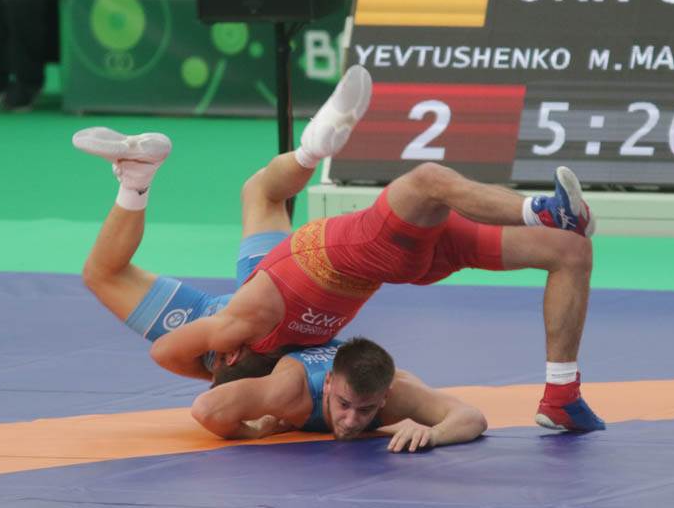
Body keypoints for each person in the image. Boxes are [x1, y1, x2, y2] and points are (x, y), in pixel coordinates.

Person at [76, 66, 603, 433]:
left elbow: (198, 388)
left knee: (106, 271)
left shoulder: (258, 350)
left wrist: (247, 416)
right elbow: (180, 369)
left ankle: (136, 179)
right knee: (424, 182)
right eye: (352, 411)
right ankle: (313, 148)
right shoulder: (254, 345)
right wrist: (220, 371)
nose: (353, 418)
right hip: (319, 269)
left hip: (280, 290)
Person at [191, 336, 488, 453]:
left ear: (384, 398)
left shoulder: (397, 394)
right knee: (223, 360)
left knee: (412, 382)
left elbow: (472, 417)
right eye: (344, 405)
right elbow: (205, 409)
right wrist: (254, 432)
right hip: (284, 348)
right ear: (330, 384)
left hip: (351, 357)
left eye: (365, 410)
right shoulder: (293, 393)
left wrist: (434, 435)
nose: (350, 420)